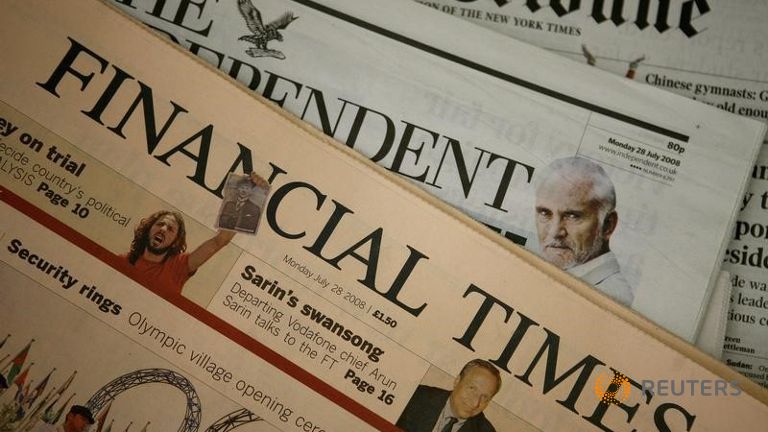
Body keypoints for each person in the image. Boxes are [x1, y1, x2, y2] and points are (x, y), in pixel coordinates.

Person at [120, 173, 266, 295]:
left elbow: (219, 241)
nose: (163, 229)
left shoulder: (179, 266)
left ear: (176, 241)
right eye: (159, 224)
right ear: (149, 229)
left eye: (170, 229)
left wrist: (254, 193)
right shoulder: (123, 260)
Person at [534, 156, 633, 305]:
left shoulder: (613, 299)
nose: (554, 232)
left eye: (572, 216)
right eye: (544, 213)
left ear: (608, 226)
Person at [396, 359, 500, 432]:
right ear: (457, 381)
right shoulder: (415, 396)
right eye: (472, 389)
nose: (475, 403)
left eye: (485, 397)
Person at [30, 405, 94, 432]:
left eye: (87, 423)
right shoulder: (48, 429)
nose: (85, 424)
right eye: (83, 419)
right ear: (70, 416)